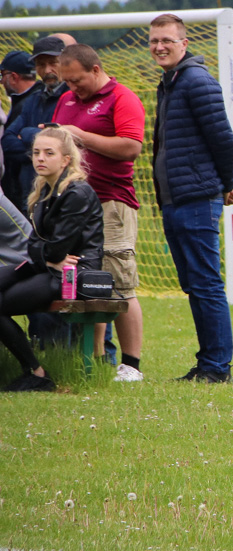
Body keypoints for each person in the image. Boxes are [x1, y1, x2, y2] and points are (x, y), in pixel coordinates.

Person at [148, 14, 233, 384]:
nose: (160, 47)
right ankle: (208, 362)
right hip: (174, 200)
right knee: (193, 283)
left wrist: (223, 184)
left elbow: (224, 140)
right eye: (155, 41)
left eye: (167, 41)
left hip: (197, 199)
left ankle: (217, 367)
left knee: (205, 283)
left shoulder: (196, 81)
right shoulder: (169, 83)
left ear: (184, 44)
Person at [53, 43, 146, 383]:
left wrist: (82, 136)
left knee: (119, 283)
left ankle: (131, 364)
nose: (71, 87)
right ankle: (92, 358)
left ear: (95, 70)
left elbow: (131, 147)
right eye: (66, 81)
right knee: (88, 283)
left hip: (111, 203)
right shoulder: (65, 101)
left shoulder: (122, 98)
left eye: (76, 80)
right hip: (72, 205)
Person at [0, 127, 103, 392]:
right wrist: (48, 257)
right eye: (36, 153)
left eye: (49, 153)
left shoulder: (76, 193)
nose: (40, 159)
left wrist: (47, 255)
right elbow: (34, 244)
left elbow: (58, 248)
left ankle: (36, 372)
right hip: (47, 268)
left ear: (66, 159)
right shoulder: (44, 190)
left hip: (72, 274)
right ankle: (34, 371)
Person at [1, 35, 74, 214]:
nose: (47, 70)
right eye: (41, 64)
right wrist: (44, 150)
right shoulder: (33, 99)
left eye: (53, 63)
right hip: (31, 194)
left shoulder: (74, 97)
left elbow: (65, 140)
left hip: (63, 195)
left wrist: (26, 134)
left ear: (64, 62)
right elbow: (7, 141)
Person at [1, 50, 40, 208]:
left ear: (14, 76)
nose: (2, 81)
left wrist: (26, 140)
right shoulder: (21, 100)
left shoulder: (35, 101)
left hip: (27, 189)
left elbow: (8, 145)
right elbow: (8, 141)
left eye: (2, 75)